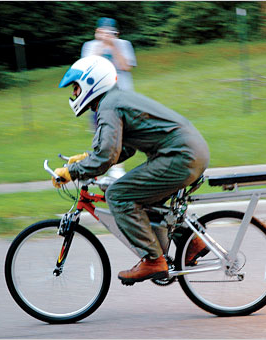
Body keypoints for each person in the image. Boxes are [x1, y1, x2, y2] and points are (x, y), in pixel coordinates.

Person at [52, 55, 210, 285]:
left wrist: (73, 171)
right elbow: (122, 149)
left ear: (91, 83)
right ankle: (192, 243)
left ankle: (154, 260)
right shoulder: (115, 100)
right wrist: (87, 158)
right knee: (140, 198)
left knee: (118, 194)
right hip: (188, 153)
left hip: (180, 157)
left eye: (76, 88)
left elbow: (107, 157)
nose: (74, 94)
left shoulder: (109, 105)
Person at [81, 17, 137, 179]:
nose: (106, 35)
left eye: (110, 32)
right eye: (102, 32)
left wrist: (113, 46)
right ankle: (98, 167)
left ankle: (118, 168)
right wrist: (101, 46)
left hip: (120, 95)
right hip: (98, 97)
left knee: (120, 132)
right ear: (97, 32)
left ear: (116, 33)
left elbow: (126, 66)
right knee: (99, 133)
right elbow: (89, 68)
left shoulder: (124, 45)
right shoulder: (90, 46)